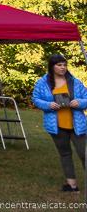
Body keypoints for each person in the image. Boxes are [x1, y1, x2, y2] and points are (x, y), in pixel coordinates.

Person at [32, 54, 87, 192]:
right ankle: (72, 185)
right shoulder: (42, 83)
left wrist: (79, 102)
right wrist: (48, 104)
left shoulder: (75, 82)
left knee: (84, 153)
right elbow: (36, 99)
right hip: (56, 126)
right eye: (59, 65)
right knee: (65, 153)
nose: (63, 68)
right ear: (52, 66)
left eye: (64, 65)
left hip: (77, 125)